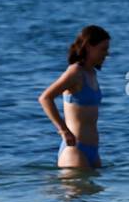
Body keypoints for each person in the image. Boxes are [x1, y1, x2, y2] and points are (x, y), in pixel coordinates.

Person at [38, 25, 110, 169]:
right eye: (103, 49)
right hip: (75, 150)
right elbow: (45, 98)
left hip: (93, 151)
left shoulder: (92, 73)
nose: (106, 54)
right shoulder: (75, 72)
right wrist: (63, 131)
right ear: (89, 46)